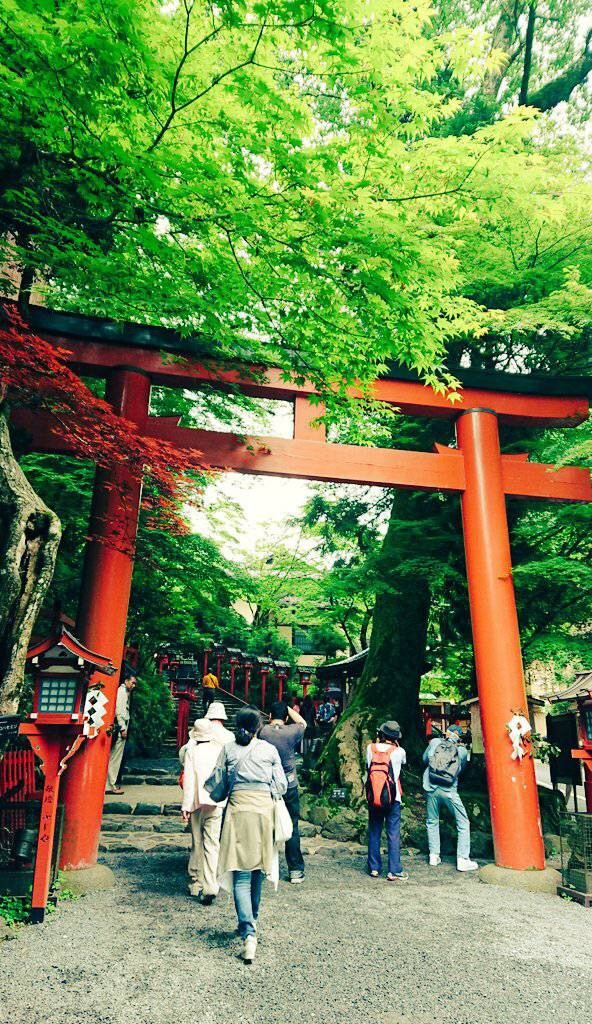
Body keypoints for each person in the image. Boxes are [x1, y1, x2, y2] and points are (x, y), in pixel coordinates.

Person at [206, 708, 287, 964]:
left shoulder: (229, 749)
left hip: (238, 811)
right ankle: (252, 923)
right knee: (257, 870)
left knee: (240, 873)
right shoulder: (268, 750)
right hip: (263, 812)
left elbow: (217, 783)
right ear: (258, 727)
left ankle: (248, 931)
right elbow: (281, 785)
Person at [181, 718, 231, 903]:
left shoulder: (192, 751)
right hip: (216, 801)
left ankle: (197, 883)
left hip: (197, 802)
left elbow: (189, 781)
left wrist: (186, 806)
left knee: (198, 842)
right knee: (212, 843)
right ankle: (211, 885)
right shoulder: (220, 749)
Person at [259, 700, 307, 884]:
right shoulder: (292, 731)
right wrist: (288, 708)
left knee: (265, 825)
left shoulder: (262, 731)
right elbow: (303, 723)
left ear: (269, 716)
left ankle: (265, 867)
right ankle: (295, 870)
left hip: (267, 784)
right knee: (292, 826)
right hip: (289, 784)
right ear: (286, 718)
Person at [423, 723, 478, 871]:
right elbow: (459, 771)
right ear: (459, 737)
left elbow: (424, 760)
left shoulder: (434, 742)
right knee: (463, 822)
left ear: (446, 733)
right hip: (449, 790)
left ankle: (433, 856)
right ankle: (462, 859)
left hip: (431, 787)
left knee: (432, 820)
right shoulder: (462, 751)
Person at [366, 721, 408, 882]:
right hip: (393, 797)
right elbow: (402, 765)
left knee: (374, 830)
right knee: (393, 833)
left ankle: (374, 868)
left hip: (374, 796)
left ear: (381, 734)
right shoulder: (400, 751)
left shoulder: (370, 748)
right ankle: (394, 870)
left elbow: (367, 766)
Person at [105, 667, 137, 794]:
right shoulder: (122, 692)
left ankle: (110, 783)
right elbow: (120, 711)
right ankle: (110, 784)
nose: (133, 685)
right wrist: (123, 727)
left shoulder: (125, 692)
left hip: (121, 725)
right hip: (120, 726)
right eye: (132, 682)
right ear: (126, 681)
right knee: (115, 757)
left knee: (115, 756)